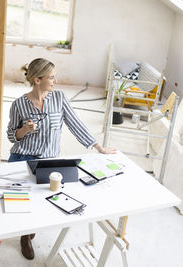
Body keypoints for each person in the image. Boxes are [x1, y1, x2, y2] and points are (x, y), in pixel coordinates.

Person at [6, 58, 117, 260]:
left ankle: (30, 229)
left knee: (45, 199)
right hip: (22, 158)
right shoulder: (19, 104)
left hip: (48, 160)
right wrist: (24, 129)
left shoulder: (59, 98)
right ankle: (25, 236)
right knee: (21, 200)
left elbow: (75, 123)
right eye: (51, 77)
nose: (55, 80)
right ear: (38, 80)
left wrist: (98, 147)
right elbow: (12, 135)